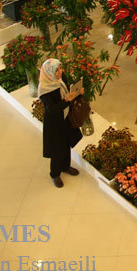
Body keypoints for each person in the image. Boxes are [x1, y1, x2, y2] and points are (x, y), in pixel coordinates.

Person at [38, 58, 83, 188]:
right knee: (57, 149)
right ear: (49, 73)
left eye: (60, 68)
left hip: (66, 118)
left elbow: (69, 93)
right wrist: (66, 101)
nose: (60, 72)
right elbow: (52, 110)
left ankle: (65, 166)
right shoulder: (45, 89)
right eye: (56, 70)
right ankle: (55, 174)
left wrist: (78, 94)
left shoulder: (60, 79)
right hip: (54, 123)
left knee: (66, 144)